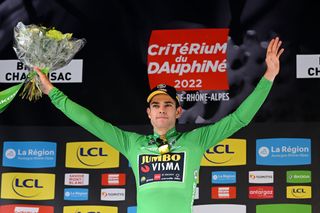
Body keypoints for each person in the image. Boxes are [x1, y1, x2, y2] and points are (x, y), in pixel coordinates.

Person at [35, 37, 284, 213]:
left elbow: (239, 118)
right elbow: (90, 122)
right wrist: (52, 93)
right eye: (156, 106)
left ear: (178, 111)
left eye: (167, 105)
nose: (161, 109)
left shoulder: (196, 140)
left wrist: (269, 75)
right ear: (149, 113)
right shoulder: (132, 143)